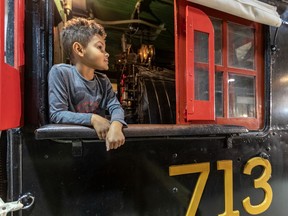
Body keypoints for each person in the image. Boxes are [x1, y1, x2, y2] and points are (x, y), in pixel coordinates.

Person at [48, 17, 126, 151]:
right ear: (79, 49)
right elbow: (57, 113)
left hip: (98, 146)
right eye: (100, 47)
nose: (106, 54)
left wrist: (116, 125)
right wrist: (93, 119)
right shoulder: (60, 73)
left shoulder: (103, 81)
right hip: (70, 148)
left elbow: (116, 107)